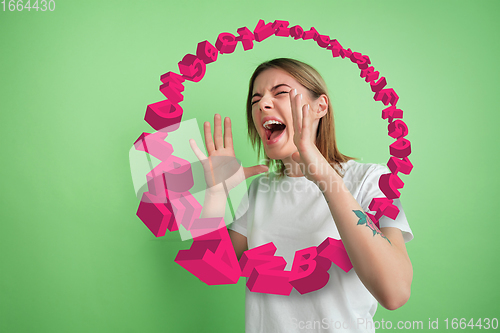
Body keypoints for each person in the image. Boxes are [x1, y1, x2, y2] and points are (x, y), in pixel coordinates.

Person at [189, 58, 413, 333]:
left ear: (320, 107)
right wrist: (215, 195)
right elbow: (212, 271)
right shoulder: (259, 191)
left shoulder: (372, 180)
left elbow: (395, 292)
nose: (262, 105)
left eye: (280, 92)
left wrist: (322, 174)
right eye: (255, 100)